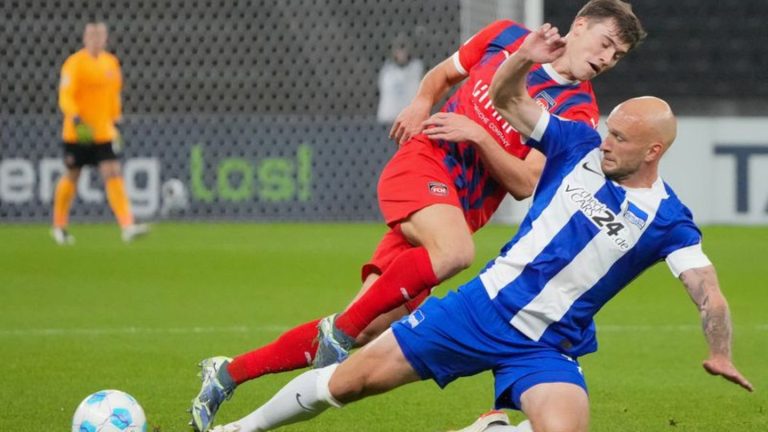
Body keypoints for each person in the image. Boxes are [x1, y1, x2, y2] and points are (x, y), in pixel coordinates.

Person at [205, 22, 753, 432]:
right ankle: (239, 428)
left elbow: (708, 291)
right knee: (350, 380)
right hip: (480, 308)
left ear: (654, 151)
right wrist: (522, 58)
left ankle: (484, 425)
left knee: (565, 428)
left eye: (622, 141)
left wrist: (721, 348)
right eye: (608, 132)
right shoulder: (577, 142)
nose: (606, 143)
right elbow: (508, 96)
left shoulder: (668, 218)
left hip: (549, 343)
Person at [51, 21, 149, 245]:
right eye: (92, 35)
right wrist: (74, 117)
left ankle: (127, 225)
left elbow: (114, 95)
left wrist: (116, 119)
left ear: (105, 38)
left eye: (100, 35)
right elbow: (65, 95)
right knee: (72, 175)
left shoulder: (111, 63)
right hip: (79, 132)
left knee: (113, 172)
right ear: (85, 38)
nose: (96, 39)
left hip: (104, 132)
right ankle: (59, 225)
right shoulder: (74, 64)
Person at [376, 33, 425, 123]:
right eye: (398, 49)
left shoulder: (416, 67)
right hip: (388, 119)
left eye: (403, 48)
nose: (401, 53)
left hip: (410, 120)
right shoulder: (386, 70)